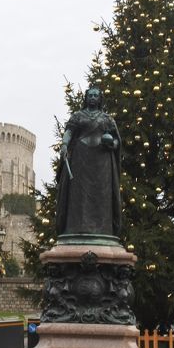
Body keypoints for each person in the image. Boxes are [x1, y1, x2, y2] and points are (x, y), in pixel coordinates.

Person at [56, 86, 122, 240]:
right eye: (90, 95)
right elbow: (69, 132)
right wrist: (64, 145)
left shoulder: (107, 119)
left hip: (102, 161)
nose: (92, 97)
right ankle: (77, 228)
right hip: (81, 158)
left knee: (102, 194)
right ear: (85, 98)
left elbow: (117, 140)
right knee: (78, 195)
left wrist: (112, 143)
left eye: (95, 95)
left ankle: (103, 230)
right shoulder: (78, 116)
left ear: (100, 99)